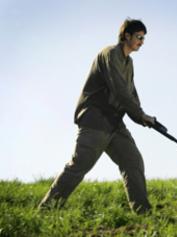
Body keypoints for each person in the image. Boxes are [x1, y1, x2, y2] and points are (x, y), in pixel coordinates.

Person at [38, 18, 156, 214]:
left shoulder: (129, 62)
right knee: (79, 166)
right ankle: (46, 209)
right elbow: (119, 90)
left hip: (115, 123)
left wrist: (141, 117)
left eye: (144, 38)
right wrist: (140, 115)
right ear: (126, 35)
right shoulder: (109, 54)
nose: (142, 41)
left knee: (133, 161)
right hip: (96, 119)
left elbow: (131, 92)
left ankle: (143, 211)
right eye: (139, 37)